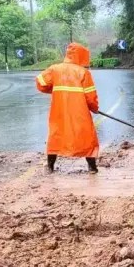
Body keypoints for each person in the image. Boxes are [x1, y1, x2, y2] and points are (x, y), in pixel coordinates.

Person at [36, 42, 100, 173]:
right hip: (79, 112)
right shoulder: (83, 73)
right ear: (81, 56)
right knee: (87, 136)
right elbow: (90, 97)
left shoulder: (54, 69)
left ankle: (50, 167)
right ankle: (92, 167)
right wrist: (94, 108)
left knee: (56, 136)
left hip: (59, 111)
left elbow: (40, 83)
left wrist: (52, 89)